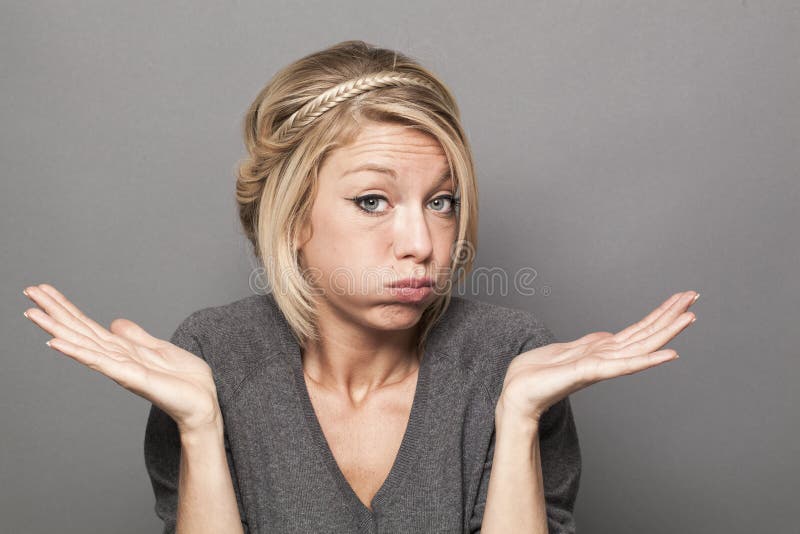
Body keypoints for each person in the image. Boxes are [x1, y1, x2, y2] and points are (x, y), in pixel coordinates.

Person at [22, 40, 698, 533]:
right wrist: (200, 426)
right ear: (291, 220)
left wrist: (517, 415)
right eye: (373, 200)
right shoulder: (212, 354)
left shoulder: (510, 356)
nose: (423, 243)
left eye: (443, 201)